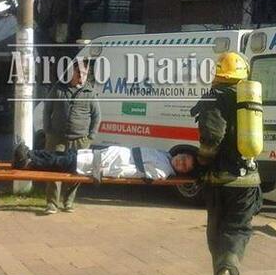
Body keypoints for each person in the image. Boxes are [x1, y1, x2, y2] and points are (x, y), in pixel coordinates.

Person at [190, 52, 262, 275]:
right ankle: (228, 270)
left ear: (218, 74)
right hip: (249, 179)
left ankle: (222, 273)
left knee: (217, 231)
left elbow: (211, 137)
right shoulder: (248, 100)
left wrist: (201, 162)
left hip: (221, 181)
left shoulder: (215, 97)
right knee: (238, 229)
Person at [42, 59, 100, 214]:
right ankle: (52, 204)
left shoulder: (90, 93)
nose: (81, 76)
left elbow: (96, 117)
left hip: (80, 141)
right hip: (57, 138)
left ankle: (68, 202)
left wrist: (91, 137)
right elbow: (47, 110)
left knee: (76, 172)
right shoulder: (58, 89)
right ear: (72, 72)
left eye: (85, 74)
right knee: (54, 171)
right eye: (79, 72)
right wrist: (47, 130)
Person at [13, 143, 197, 180]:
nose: (181, 162)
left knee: (65, 162)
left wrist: (104, 171)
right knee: (67, 154)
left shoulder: (163, 172)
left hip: (108, 164)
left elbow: (137, 172)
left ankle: (28, 161)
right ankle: (30, 154)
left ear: (181, 172)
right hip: (111, 153)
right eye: (184, 158)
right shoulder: (164, 154)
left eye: (184, 166)